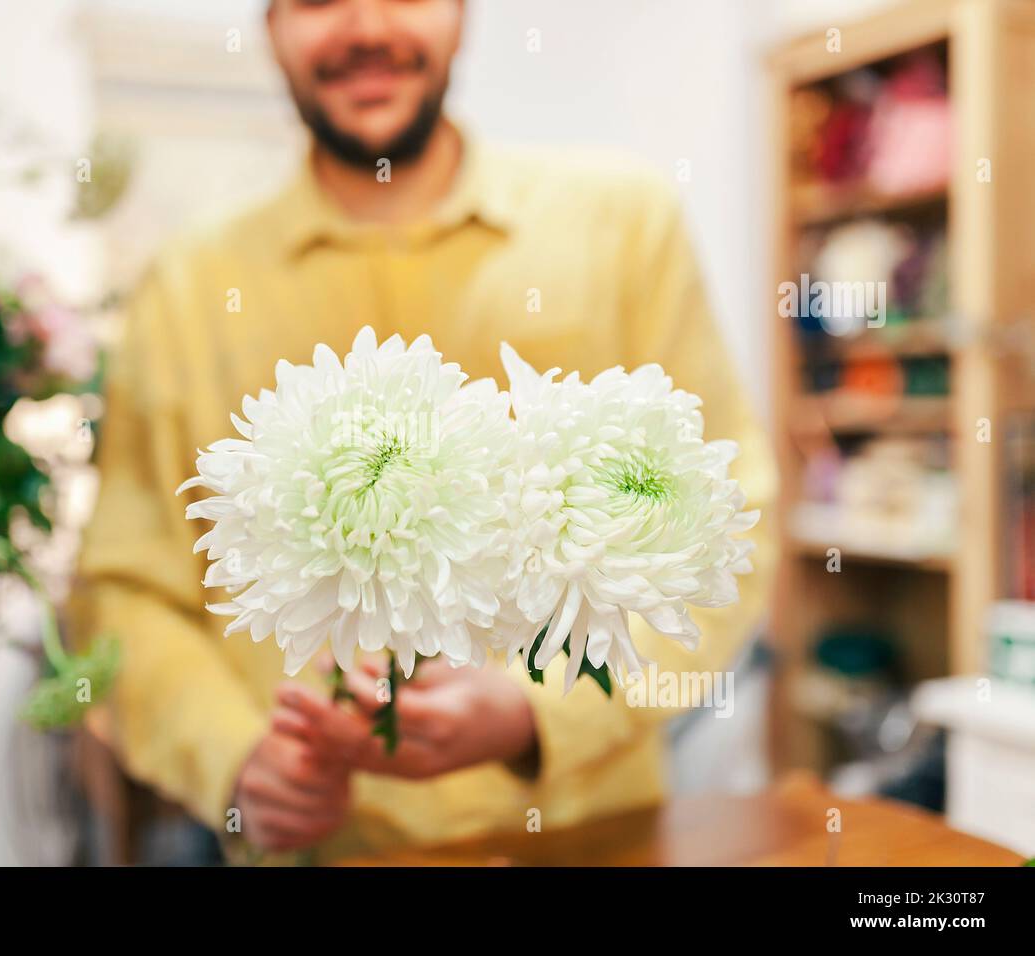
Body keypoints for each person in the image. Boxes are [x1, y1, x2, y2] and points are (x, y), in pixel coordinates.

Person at [72, 0, 776, 862]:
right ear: (269, 23)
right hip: (321, 851)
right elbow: (124, 590)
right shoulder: (188, 284)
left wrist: (538, 708)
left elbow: (723, 516)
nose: (367, 26)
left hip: (594, 838)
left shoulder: (624, 224)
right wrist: (235, 761)